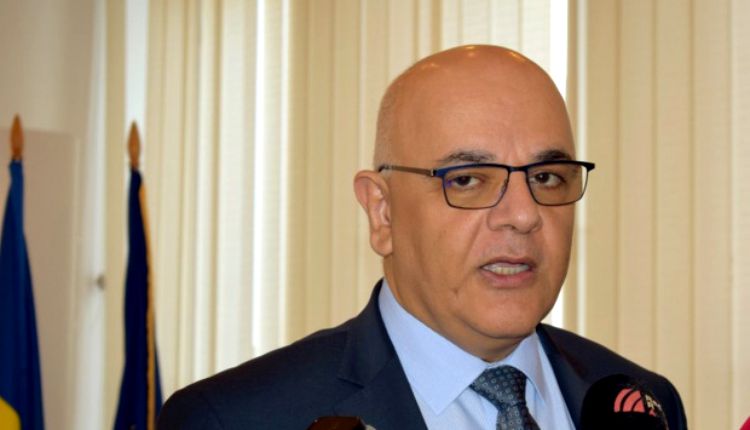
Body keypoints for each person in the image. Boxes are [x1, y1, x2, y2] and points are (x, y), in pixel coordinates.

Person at [158, 45, 687, 429]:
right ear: (382, 212)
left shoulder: (642, 403)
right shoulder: (235, 418)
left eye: (547, 177)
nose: (524, 215)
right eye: (469, 180)